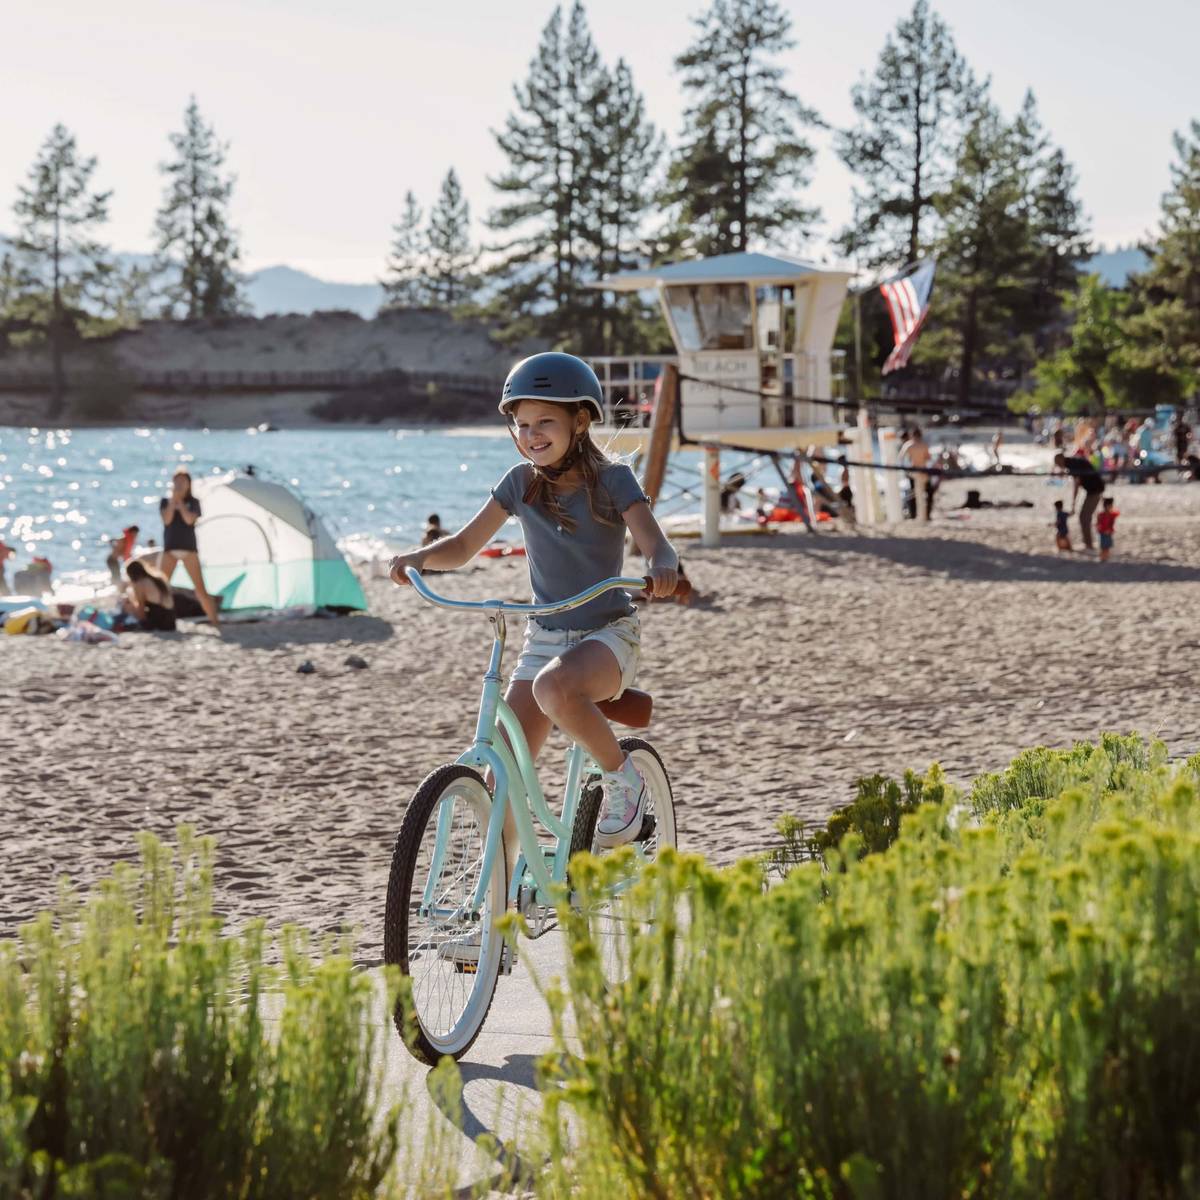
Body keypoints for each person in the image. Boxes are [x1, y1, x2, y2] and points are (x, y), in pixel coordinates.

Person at [388, 352, 679, 858]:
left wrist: (662, 566)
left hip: (607, 637)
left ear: (581, 421)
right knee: (501, 773)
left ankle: (625, 784)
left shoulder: (613, 481)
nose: (532, 433)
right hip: (542, 636)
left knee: (553, 686)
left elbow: (656, 543)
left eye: (546, 421)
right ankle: (494, 915)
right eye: (522, 424)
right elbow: (461, 546)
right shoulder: (520, 483)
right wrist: (419, 557)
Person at [159, 469, 220, 628]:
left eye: (182, 481)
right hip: (170, 549)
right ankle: (161, 620)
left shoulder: (194, 502)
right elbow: (167, 520)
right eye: (176, 481)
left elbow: (189, 520)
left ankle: (214, 621)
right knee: (161, 587)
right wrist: (173, 502)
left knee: (200, 590)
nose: (179, 485)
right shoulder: (166, 501)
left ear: (188, 484)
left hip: (188, 550)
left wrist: (181, 505)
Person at [1053, 451, 1105, 550]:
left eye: (1058, 463)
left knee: (1084, 517)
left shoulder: (1072, 465)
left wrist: (1073, 502)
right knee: (1085, 517)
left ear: (1061, 460)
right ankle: (1088, 543)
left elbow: (1077, 484)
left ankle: (1089, 544)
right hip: (1093, 490)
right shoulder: (1073, 462)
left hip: (1095, 491)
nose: (1058, 466)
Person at [122, 560, 176, 631]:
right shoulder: (158, 578)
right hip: (171, 619)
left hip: (161, 621)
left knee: (128, 606)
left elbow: (141, 609)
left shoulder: (140, 583)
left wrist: (142, 622)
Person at [899, 426, 932, 521]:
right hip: (922, 472)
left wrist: (907, 469)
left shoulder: (909, 445)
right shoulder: (922, 445)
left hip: (914, 472)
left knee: (915, 494)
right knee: (922, 494)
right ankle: (922, 515)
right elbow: (928, 459)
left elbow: (901, 458)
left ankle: (917, 515)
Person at [1096, 497, 1120, 562]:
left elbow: (1118, 513)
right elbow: (1098, 523)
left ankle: (1106, 557)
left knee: (1108, 547)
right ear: (1105, 506)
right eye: (1108, 506)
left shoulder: (1112, 514)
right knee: (1103, 546)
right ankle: (1102, 557)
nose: (1109, 508)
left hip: (1109, 533)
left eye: (1110, 506)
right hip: (1103, 533)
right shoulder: (1101, 515)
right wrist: (1099, 529)